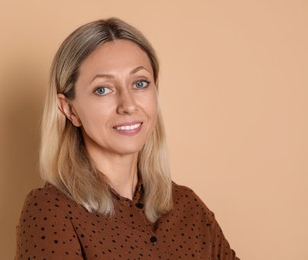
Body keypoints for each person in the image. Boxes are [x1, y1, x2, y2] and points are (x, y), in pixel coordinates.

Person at [16, 17, 239, 259]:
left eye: (140, 83)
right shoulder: (51, 211)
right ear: (69, 109)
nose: (128, 105)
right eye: (103, 89)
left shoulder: (188, 207)